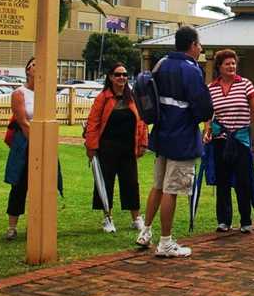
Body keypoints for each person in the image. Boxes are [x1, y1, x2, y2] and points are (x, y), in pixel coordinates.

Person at [136, 26, 213, 258]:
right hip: (182, 137)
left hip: (162, 134)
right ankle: (166, 243)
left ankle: (145, 232)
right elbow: (203, 107)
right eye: (199, 45)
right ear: (192, 45)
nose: (200, 49)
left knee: (158, 186)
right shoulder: (190, 69)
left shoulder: (161, 63)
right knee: (172, 190)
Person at [203, 49, 254, 234]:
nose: (231, 66)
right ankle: (223, 221)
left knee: (243, 181)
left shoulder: (245, 84)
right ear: (219, 67)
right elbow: (209, 114)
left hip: (241, 140)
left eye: (233, 63)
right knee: (222, 181)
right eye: (227, 63)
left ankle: (246, 220)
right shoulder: (211, 88)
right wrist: (206, 130)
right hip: (220, 140)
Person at [84, 62, 149, 234]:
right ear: (111, 77)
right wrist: (91, 146)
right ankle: (107, 217)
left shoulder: (132, 97)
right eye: (118, 74)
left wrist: (143, 142)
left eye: (124, 74)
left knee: (131, 182)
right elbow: (93, 123)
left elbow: (141, 121)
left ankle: (136, 218)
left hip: (128, 147)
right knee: (105, 183)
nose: (122, 78)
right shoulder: (103, 97)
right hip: (107, 147)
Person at [4, 57, 35, 240]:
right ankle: (12, 226)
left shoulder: (47, 93)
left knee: (44, 185)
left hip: (42, 143)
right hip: (24, 143)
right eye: (33, 65)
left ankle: (40, 223)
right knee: (19, 185)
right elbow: (23, 121)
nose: (37, 68)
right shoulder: (19, 93)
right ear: (27, 70)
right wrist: (37, 143)